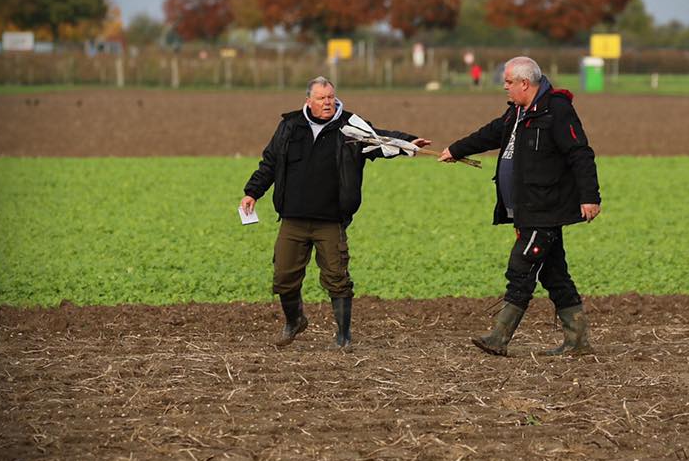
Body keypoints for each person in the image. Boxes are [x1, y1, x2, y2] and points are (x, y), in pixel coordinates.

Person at [240, 77, 430, 349]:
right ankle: (294, 321)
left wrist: (409, 143)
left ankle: (343, 336)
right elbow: (270, 162)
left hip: (330, 219)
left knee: (337, 279)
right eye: (321, 98)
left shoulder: (350, 127)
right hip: (293, 218)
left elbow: (380, 140)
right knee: (284, 276)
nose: (328, 102)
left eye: (331, 97)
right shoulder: (290, 126)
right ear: (308, 101)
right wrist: (252, 192)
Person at [438, 56, 601, 357]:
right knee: (554, 275)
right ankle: (578, 341)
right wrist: (456, 149)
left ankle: (499, 338)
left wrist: (590, 197)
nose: (505, 87)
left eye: (509, 82)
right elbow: (490, 134)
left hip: (545, 208)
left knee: (521, 269)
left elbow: (580, 154)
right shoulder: (516, 111)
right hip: (525, 209)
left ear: (525, 83)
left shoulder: (557, 110)